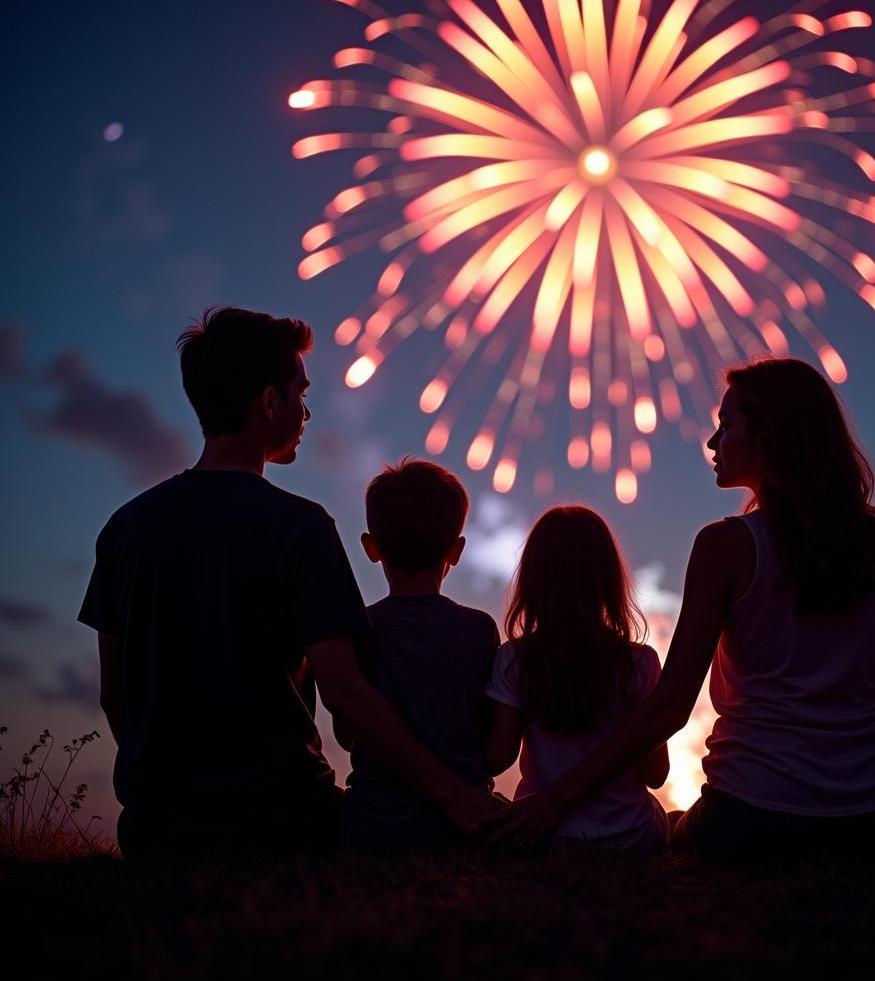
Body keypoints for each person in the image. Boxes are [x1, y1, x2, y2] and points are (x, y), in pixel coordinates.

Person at [79, 305, 499, 857]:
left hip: (154, 829)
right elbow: (345, 692)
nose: (306, 412)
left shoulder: (123, 529)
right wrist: (455, 796)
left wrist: (169, 792)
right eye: (300, 395)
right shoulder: (301, 527)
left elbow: (117, 696)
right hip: (281, 822)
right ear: (269, 402)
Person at [487, 358, 875, 863]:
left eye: (726, 426)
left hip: (757, 815)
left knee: (682, 828)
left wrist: (555, 799)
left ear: (769, 436)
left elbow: (672, 705)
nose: (711, 443)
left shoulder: (725, 546)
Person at [484, 506, 669, 854]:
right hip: (630, 837)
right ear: (609, 580)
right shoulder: (640, 663)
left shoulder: (514, 660)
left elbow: (497, 759)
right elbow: (656, 774)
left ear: (533, 580)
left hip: (543, 837)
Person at [340, 459, 501, 849]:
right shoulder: (479, 630)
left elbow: (346, 736)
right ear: (456, 550)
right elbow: (490, 747)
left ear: (371, 548)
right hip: (464, 826)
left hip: (373, 823)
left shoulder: (357, 630)